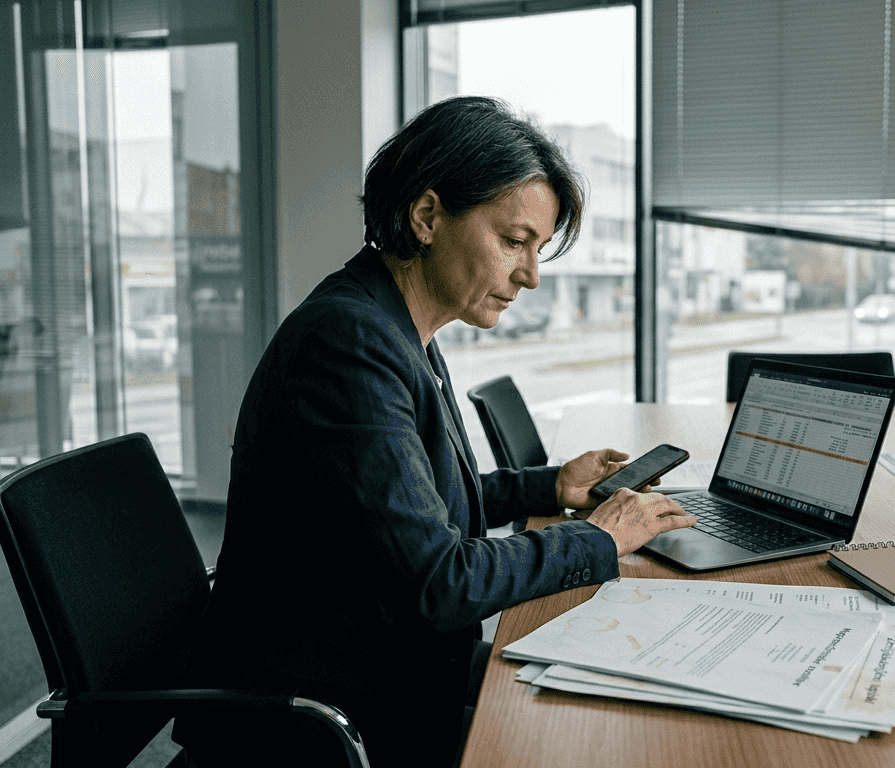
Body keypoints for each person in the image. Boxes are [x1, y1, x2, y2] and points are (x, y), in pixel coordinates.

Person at [173, 96, 696, 767]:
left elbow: (408, 504)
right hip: (327, 707)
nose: (531, 276)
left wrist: (548, 486)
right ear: (427, 217)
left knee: (623, 693)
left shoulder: (394, 325)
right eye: (513, 241)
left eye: (536, 250)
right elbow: (437, 582)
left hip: (378, 663)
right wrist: (597, 538)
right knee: (608, 725)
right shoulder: (350, 341)